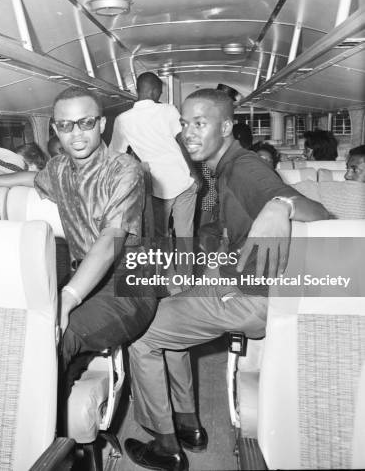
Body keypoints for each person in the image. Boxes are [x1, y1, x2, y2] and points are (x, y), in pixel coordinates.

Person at [125, 88, 329, 471]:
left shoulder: (245, 168)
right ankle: (187, 425)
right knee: (166, 307)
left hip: (254, 295)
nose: (188, 133)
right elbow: (226, 232)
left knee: (141, 334)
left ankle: (165, 445)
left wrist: (280, 204)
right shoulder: (221, 168)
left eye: (200, 124)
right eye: (185, 124)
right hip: (241, 277)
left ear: (226, 125)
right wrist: (198, 269)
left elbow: (321, 216)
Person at [0, 86, 158, 417]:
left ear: (102, 124)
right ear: (55, 129)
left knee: (56, 338)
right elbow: (31, 177)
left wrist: (70, 295)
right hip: (86, 275)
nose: (76, 134)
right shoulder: (59, 168)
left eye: (85, 123)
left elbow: (110, 242)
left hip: (130, 284)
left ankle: (44, 440)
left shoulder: (126, 170)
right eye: (65, 125)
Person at [109, 72, 198, 238]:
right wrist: (195, 173)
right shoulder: (168, 110)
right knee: (185, 235)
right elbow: (183, 142)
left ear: (137, 90)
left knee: (160, 234)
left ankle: (164, 264)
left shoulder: (122, 120)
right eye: (160, 92)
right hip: (183, 179)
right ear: (154, 91)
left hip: (157, 187)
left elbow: (116, 156)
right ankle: (185, 264)